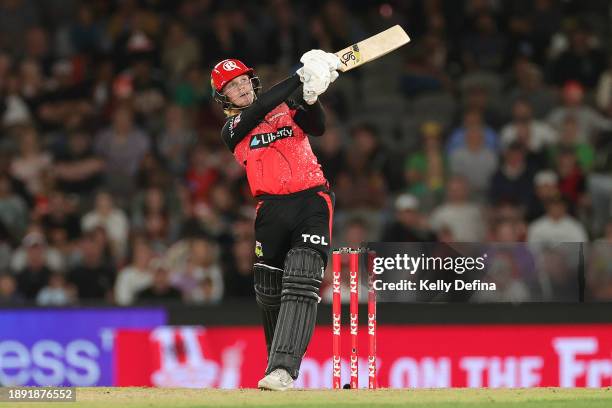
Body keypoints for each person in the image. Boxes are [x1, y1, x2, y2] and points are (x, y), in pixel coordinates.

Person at [211, 51, 340, 390]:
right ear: (223, 98)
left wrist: (311, 98)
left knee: (302, 274)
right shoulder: (232, 129)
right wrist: (300, 77)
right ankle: (274, 365)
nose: (240, 89)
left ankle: (284, 370)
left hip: (311, 200)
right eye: (231, 87)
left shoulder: (287, 106)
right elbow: (258, 109)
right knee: (268, 289)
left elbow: (319, 127)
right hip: (269, 209)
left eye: (242, 81)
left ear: (252, 82)